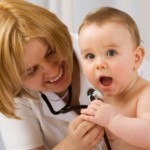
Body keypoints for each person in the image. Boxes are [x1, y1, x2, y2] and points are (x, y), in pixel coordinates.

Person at [0, 0, 104, 150]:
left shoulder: (106, 47)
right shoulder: (12, 94)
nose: (53, 71)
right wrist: (72, 146)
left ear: (60, 35)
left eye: (51, 52)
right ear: (13, 79)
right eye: (31, 70)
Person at [78, 6, 150, 150]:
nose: (99, 64)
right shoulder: (103, 100)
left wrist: (112, 119)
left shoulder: (145, 94)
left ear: (136, 58)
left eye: (111, 53)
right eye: (90, 56)